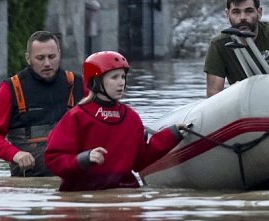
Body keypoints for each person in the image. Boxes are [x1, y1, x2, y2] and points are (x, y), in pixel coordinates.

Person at [44, 51, 185, 191]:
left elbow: (139, 162)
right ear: (95, 81)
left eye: (123, 77)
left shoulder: (131, 117)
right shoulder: (76, 116)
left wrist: (172, 135)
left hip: (125, 190)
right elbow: (53, 159)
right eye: (114, 77)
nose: (121, 83)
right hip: (84, 194)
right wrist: (83, 159)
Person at [0, 31, 85, 177]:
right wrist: (14, 154)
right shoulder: (12, 88)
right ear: (28, 58)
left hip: (72, 176)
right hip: (30, 180)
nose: (47, 63)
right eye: (40, 58)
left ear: (59, 54)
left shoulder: (77, 83)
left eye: (51, 57)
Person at [204, 0, 269, 96]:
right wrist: (236, 90)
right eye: (236, 12)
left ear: (259, 13)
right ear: (227, 14)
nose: (243, 17)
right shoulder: (218, 44)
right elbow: (213, 93)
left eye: (249, 11)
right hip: (242, 102)